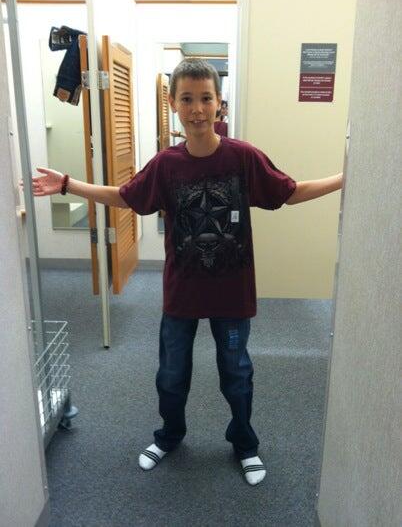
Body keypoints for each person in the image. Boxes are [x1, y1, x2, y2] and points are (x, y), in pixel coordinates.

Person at [29, 58, 343, 486]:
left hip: (232, 293)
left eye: (206, 98)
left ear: (220, 103)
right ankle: (169, 435)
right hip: (183, 292)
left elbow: (289, 192)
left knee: (237, 374)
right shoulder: (167, 165)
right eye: (188, 99)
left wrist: (344, 178)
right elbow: (125, 197)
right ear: (173, 103)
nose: (197, 109)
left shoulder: (243, 157)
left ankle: (245, 443)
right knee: (172, 374)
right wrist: (68, 185)